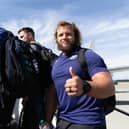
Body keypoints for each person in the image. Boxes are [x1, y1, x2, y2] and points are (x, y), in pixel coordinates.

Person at [46, 21, 115, 129]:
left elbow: (109, 88)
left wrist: (84, 86)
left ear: (75, 37)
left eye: (68, 34)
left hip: (87, 122)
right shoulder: (56, 62)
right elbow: (53, 92)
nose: (64, 37)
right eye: (60, 35)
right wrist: (48, 120)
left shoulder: (88, 55)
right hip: (62, 121)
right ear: (56, 39)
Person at [17, 27, 57, 129]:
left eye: (22, 36)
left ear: (30, 35)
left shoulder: (30, 49)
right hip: (48, 92)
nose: (20, 39)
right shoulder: (45, 50)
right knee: (43, 122)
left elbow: (32, 73)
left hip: (35, 94)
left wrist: (26, 93)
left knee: (32, 122)